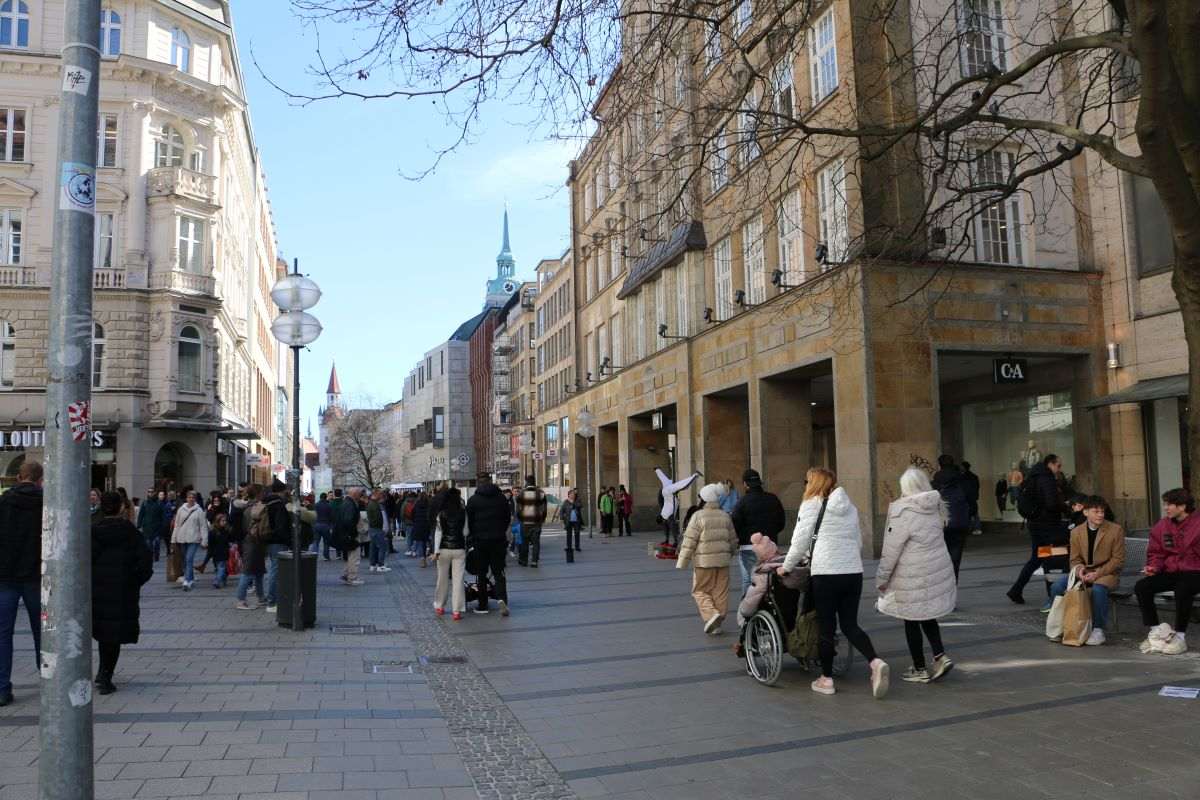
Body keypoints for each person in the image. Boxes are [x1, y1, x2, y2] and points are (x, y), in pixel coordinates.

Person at [779, 468, 889, 699]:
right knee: (850, 625)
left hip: (826, 573)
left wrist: (786, 566)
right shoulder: (849, 507)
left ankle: (826, 679)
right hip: (853, 572)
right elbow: (858, 542)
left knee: (826, 627)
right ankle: (875, 662)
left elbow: (799, 542)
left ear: (814, 483)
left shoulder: (810, 505)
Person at [875, 468, 956, 683]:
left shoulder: (904, 511)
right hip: (934, 570)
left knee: (911, 619)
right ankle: (940, 655)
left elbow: (891, 550)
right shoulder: (935, 506)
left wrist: (881, 579)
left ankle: (919, 668)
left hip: (911, 574)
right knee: (927, 614)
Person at [91, 491, 153, 695]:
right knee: (114, 635)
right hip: (122, 592)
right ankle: (105, 675)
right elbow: (145, 563)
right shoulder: (131, 533)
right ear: (120, 508)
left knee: (102, 633)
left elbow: (83, 562)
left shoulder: (93, 531)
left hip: (98, 592)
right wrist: (134, 581)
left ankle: (103, 673)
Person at [1047, 495, 1125, 646]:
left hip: (1107, 573)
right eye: (1096, 511)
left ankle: (1098, 630)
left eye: (1102, 511)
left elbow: (1118, 560)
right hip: (1084, 573)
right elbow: (1074, 559)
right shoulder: (1076, 532)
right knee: (1057, 586)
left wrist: (1097, 574)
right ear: (1086, 512)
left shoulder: (1115, 530)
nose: (1100, 515)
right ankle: (1064, 626)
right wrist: (1079, 571)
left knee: (1098, 588)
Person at [1136, 488, 1200, 655]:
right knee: (1142, 587)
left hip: (1196, 571)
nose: (1166, 508)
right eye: (1165, 504)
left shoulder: (1198, 523)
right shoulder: (1163, 525)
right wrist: (1153, 567)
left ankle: (1180, 637)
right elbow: (1156, 552)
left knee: (1183, 589)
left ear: (1182, 506)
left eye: (1169, 504)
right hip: (1172, 571)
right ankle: (1157, 632)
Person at [0, 460, 43, 707]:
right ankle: (48, 680)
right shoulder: (46, 502)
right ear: (40, 479)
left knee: (3, 634)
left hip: (5, 576)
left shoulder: (3, 502)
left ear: (18, 477)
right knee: (43, 632)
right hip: (36, 576)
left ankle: (2, 688)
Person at [676, 484, 737, 635]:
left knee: (700, 590)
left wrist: (682, 561)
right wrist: (730, 553)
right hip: (723, 561)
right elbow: (733, 540)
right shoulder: (725, 515)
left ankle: (711, 614)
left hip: (704, 562)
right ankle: (717, 621)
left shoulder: (698, 516)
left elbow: (689, 540)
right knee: (720, 591)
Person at [1007, 454, 1068, 605]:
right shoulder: (1046, 478)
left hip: (1035, 524)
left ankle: (1016, 590)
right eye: (1058, 466)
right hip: (1047, 526)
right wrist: (1065, 507)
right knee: (1050, 558)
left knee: (1037, 558)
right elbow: (1051, 503)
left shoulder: (1033, 476)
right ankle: (1052, 595)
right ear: (1050, 464)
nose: (1059, 469)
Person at [729, 468, 787, 598]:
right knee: (769, 579)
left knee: (749, 580)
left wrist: (740, 539)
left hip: (748, 547)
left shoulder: (742, 502)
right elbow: (781, 521)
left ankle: (748, 612)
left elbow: (735, 525)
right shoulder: (773, 499)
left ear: (745, 484)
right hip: (770, 545)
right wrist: (770, 535)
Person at [466, 473, 512, 616]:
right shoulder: (501, 498)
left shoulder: (473, 500)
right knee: (499, 572)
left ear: (478, 483)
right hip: (498, 540)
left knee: (481, 573)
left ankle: (483, 604)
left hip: (480, 541)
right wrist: (500, 531)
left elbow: (470, 522)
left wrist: (473, 536)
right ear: (491, 482)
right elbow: (507, 518)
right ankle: (502, 599)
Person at [931, 455, 970, 581]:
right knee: (955, 558)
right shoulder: (962, 479)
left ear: (940, 465)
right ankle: (953, 585)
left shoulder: (935, 481)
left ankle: (942, 587)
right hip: (960, 522)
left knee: (940, 558)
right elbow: (972, 498)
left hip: (941, 523)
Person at [433, 487, 468, 620]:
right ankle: (456, 610)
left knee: (442, 579)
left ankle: (440, 605)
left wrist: (436, 551)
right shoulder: (463, 512)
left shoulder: (441, 513)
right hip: (459, 548)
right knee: (458, 580)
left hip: (443, 549)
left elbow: (438, 532)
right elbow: (465, 532)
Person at [260, 479, 292, 613]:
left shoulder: (267, 502)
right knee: (276, 571)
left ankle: (271, 599)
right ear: (282, 491)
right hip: (278, 541)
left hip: (269, 540)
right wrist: (287, 539)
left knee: (274, 569)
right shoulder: (278, 505)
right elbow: (281, 527)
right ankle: (272, 602)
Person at [235, 485, 268, 609]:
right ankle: (241, 599)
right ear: (258, 494)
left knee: (259, 571)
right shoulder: (256, 508)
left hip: (251, 541)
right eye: (262, 492)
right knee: (248, 571)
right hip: (253, 541)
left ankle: (261, 597)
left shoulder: (246, 507)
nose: (264, 494)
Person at [170, 490, 208, 592]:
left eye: (193, 498)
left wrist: (204, 540)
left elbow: (203, 526)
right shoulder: (181, 510)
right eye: (189, 497)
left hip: (194, 538)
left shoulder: (199, 511)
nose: (191, 499)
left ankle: (187, 580)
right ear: (186, 498)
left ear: (195, 499)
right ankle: (190, 578)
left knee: (189, 558)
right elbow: (177, 525)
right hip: (182, 538)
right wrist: (173, 539)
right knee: (185, 560)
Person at [516, 475, 548, 567]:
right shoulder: (541, 494)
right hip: (537, 521)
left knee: (525, 542)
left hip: (525, 521)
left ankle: (524, 560)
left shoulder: (521, 494)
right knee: (536, 542)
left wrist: (520, 518)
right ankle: (534, 561)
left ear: (527, 482)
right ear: (534, 482)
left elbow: (518, 509)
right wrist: (543, 519)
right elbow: (544, 509)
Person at [336, 488, 365, 585]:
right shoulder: (350, 504)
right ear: (355, 494)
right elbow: (348, 521)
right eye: (359, 494)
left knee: (350, 555)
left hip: (345, 534)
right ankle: (352, 577)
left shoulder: (346, 503)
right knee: (354, 556)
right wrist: (352, 534)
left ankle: (346, 574)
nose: (360, 496)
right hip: (350, 534)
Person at [137, 489, 166, 562]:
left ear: (154, 493)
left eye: (152, 492)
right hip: (147, 527)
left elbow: (163, 516)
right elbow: (141, 515)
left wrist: (162, 526)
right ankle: (150, 556)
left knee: (156, 543)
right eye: (149, 492)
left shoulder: (159, 503)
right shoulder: (145, 503)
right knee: (148, 544)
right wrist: (139, 525)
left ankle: (156, 555)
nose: (150, 493)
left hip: (157, 527)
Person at [366, 489, 390, 573]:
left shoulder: (371, 503)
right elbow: (378, 518)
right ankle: (381, 565)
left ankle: (373, 565)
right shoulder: (375, 505)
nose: (381, 496)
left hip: (373, 528)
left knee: (373, 547)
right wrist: (382, 528)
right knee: (382, 547)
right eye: (380, 494)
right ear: (376, 495)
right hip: (377, 529)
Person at [207, 512, 232, 589]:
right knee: (221, 568)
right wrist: (210, 553)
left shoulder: (226, 530)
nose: (224, 522)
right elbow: (210, 543)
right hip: (216, 553)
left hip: (224, 552)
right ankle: (218, 580)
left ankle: (220, 580)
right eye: (222, 521)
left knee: (222, 567)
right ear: (217, 521)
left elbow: (229, 540)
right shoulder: (213, 532)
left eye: (225, 521)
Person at [411, 490, 432, 567]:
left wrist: (415, 522)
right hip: (427, 526)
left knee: (420, 543)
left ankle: (422, 559)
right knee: (426, 542)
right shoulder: (429, 505)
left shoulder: (416, 505)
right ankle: (428, 552)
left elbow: (412, 515)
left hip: (418, 526)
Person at [961, 460, 981, 535]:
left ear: (964, 467)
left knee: (966, 513)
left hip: (966, 497)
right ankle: (977, 528)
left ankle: (969, 528)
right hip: (972, 497)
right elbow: (977, 487)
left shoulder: (961, 477)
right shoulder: (974, 476)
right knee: (975, 513)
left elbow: (963, 487)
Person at [312, 492, 333, 560]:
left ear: (320, 497)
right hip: (326, 525)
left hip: (317, 524)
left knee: (316, 541)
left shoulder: (316, 505)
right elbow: (331, 516)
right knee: (326, 542)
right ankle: (326, 556)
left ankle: (314, 555)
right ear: (326, 497)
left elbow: (313, 515)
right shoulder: (329, 505)